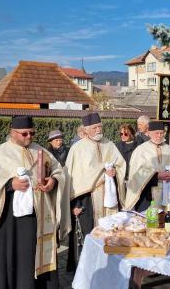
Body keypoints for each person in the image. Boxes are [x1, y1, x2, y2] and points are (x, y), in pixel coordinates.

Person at [0, 116, 70, 289]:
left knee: (35, 256)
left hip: (38, 219)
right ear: (12, 133)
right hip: (10, 222)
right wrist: (9, 184)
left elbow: (58, 171)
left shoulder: (41, 151)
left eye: (32, 133)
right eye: (24, 134)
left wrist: (53, 181)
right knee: (14, 259)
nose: (29, 137)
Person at [65, 113, 126, 271]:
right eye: (94, 128)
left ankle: (110, 266)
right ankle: (86, 269)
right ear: (86, 130)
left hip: (109, 195)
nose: (99, 129)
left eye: (100, 126)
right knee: (88, 235)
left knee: (111, 231)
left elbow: (121, 165)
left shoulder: (110, 144)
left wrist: (115, 172)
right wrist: (74, 205)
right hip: (86, 200)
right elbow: (73, 180)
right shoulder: (77, 149)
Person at [125, 121, 170, 212]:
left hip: (167, 192)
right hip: (147, 195)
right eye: (156, 133)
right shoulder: (141, 150)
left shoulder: (168, 149)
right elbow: (135, 173)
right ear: (149, 133)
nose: (159, 136)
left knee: (166, 220)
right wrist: (156, 175)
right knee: (148, 221)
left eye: (161, 133)